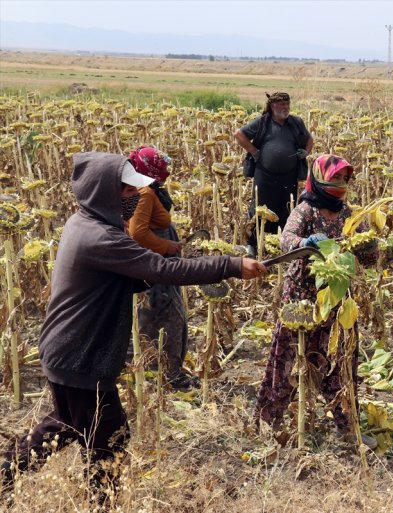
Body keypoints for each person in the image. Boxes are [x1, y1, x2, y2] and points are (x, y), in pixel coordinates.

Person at [1, 152, 266, 497]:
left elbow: (122, 279)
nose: (134, 199)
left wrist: (146, 271)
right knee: (110, 438)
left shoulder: (82, 223)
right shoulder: (101, 238)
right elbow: (162, 271)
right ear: (105, 194)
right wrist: (229, 265)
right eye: (127, 193)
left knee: (68, 424)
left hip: (67, 348)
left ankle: (8, 475)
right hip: (79, 354)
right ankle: (102, 500)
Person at [254, 154, 376, 447]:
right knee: (287, 360)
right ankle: (269, 423)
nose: (341, 184)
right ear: (319, 179)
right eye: (335, 178)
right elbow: (286, 239)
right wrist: (305, 243)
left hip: (337, 301)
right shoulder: (305, 210)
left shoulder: (350, 216)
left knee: (340, 362)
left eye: (345, 179)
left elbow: (369, 259)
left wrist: (370, 245)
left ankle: (347, 426)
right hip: (302, 300)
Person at [125, 146, 196, 390]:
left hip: (158, 261)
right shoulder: (144, 192)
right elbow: (137, 232)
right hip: (155, 264)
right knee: (166, 315)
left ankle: (158, 369)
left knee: (157, 316)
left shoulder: (147, 189)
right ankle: (167, 373)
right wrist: (166, 246)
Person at [234, 92, 314, 257]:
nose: (285, 108)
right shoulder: (262, 122)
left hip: (288, 175)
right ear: (272, 107)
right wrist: (254, 151)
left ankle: (283, 243)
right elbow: (239, 134)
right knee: (260, 208)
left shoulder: (295, 122)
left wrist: (305, 152)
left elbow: (309, 139)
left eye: (287, 104)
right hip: (265, 175)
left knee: (286, 208)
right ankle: (253, 245)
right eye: (281, 105)